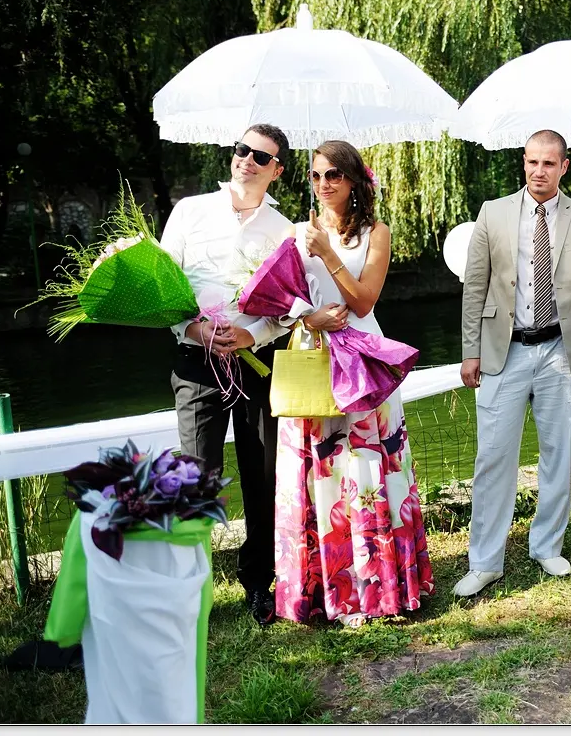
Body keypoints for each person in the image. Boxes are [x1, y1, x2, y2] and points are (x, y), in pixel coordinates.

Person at [273, 140, 434, 626]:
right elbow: (278, 300)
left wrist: (327, 253)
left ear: (353, 180)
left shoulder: (375, 233)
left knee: (365, 469)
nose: (324, 184)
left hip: (362, 360)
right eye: (316, 175)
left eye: (334, 175)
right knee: (321, 472)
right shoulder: (296, 231)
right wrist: (309, 316)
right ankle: (326, 591)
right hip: (313, 355)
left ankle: (377, 589)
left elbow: (363, 302)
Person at [455, 130, 571, 597]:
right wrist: (470, 351)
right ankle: (484, 561)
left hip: (561, 350)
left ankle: (547, 546)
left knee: (558, 453)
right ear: (523, 163)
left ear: (564, 167)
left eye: (548, 163)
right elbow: (475, 286)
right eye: (532, 162)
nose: (538, 171)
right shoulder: (493, 212)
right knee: (492, 457)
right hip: (503, 349)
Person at [160, 123, 293, 626]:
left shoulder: (284, 231)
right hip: (196, 363)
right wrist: (193, 329)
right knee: (197, 476)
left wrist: (251, 334)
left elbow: (290, 309)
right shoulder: (189, 211)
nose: (247, 160)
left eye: (261, 157)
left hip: (258, 365)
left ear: (276, 171)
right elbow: (163, 287)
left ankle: (258, 583)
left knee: (263, 476)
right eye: (242, 150)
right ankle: (188, 595)